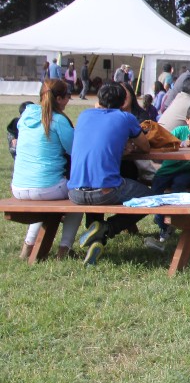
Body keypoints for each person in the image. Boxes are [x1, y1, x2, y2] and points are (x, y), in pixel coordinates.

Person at [69, 83, 151, 266]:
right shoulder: (126, 118)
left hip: (75, 192)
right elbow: (145, 147)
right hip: (104, 191)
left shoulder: (84, 116)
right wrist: (127, 147)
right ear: (123, 102)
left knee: (96, 191)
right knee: (149, 197)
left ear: (98, 99)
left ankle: (96, 240)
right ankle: (108, 228)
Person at [11, 79, 82, 260]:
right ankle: (64, 249)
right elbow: (75, 150)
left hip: (18, 187)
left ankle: (28, 246)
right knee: (80, 195)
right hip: (46, 188)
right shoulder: (58, 121)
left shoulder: (25, 117)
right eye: (67, 97)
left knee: (43, 202)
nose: (68, 100)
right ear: (58, 98)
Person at [149, 103, 190, 243]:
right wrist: (183, 144)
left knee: (179, 188)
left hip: (185, 171)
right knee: (155, 191)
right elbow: (168, 144)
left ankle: (177, 220)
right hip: (167, 169)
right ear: (187, 120)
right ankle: (162, 223)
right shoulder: (179, 130)